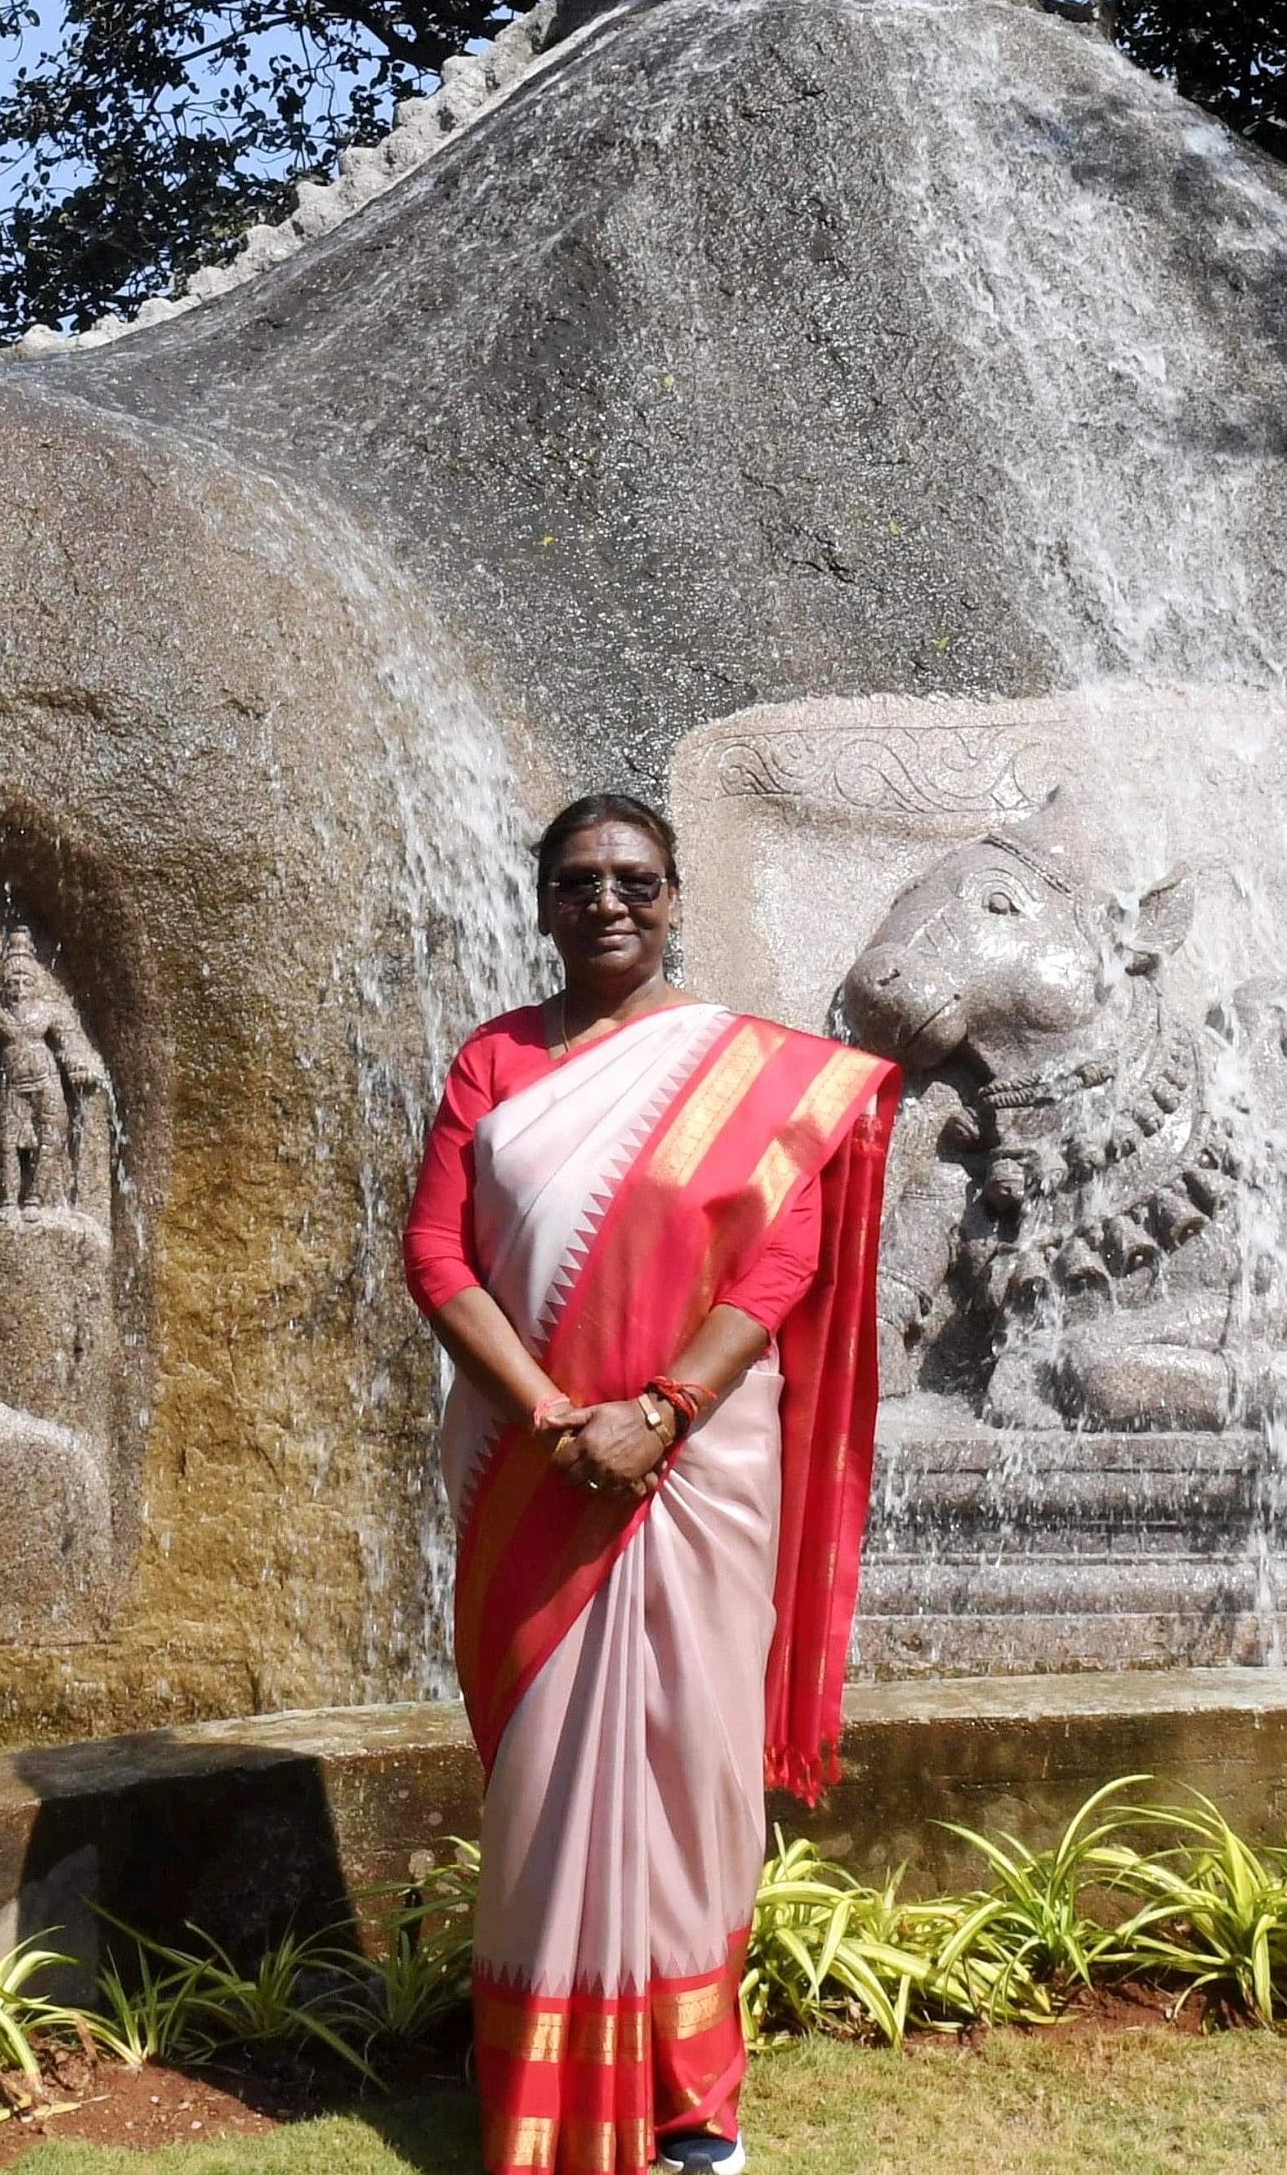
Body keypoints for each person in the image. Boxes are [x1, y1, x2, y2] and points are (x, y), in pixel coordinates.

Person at [405, 793, 901, 2175]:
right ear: (542, 901)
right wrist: (565, 1417)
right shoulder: (491, 1063)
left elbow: (780, 1263)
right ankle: (541, 2088)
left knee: (689, 1769)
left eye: (632, 878)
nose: (606, 901)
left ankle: (693, 2105)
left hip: (698, 1469)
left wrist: (663, 1411)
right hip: (532, 1465)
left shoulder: (752, 1075)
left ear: (673, 895)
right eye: (577, 881)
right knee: (542, 1772)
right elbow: (436, 1259)